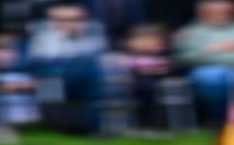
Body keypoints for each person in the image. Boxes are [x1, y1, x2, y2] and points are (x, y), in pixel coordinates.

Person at [26, 3, 110, 134]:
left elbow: (101, 58)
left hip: (82, 80)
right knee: (87, 67)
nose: (69, 23)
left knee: (92, 73)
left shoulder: (93, 34)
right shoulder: (42, 37)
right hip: (49, 77)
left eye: (75, 19)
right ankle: (87, 126)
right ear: (51, 21)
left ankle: (89, 126)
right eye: (62, 20)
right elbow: (41, 63)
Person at [109, 23, 172, 132]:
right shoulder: (122, 57)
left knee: (149, 89)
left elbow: (164, 69)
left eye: (151, 41)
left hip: (153, 85)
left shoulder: (164, 59)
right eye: (141, 40)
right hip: (127, 85)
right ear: (130, 42)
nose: (145, 44)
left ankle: (152, 124)